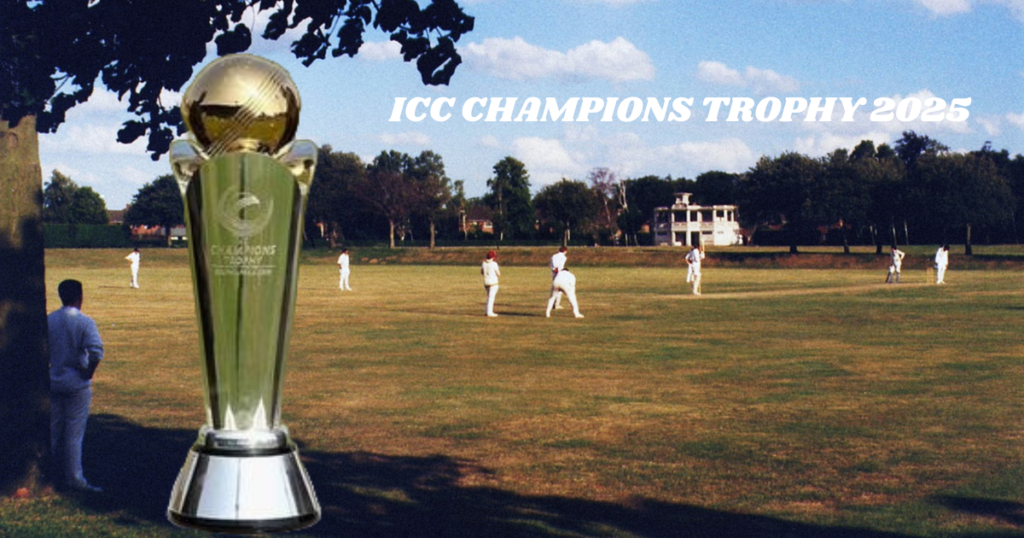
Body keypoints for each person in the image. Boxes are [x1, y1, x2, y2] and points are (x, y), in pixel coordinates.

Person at [48, 279, 104, 493]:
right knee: (74, 434)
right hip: (76, 382)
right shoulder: (85, 321)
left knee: (53, 430)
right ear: (80, 296)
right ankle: (74, 478)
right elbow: (96, 351)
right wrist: (88, 372)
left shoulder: (50, 319)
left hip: (53, 378)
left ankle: (48, 473)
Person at [481, 250, 501, 317]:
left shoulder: (483, 263)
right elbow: (498, 274)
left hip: (486, 282)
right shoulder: (494, 264)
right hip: (493, 283)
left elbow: (482, 272)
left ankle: (486, 311)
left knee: (488, 297)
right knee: (491, 298)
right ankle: (489, 312)